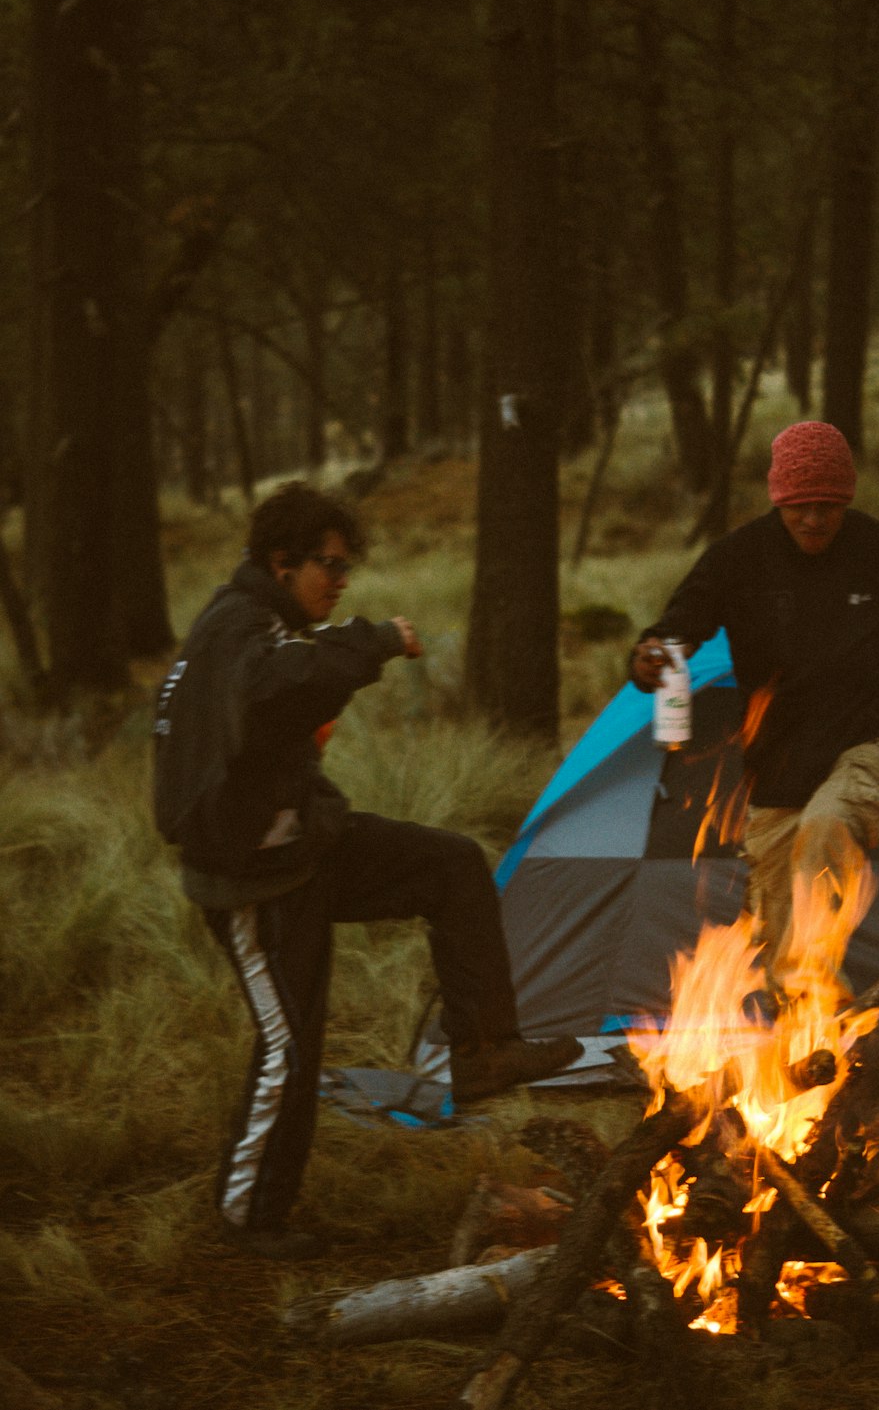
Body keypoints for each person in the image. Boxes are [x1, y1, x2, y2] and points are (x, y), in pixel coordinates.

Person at [153, 481, 581, 1261]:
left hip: (304, 848)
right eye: (330, 565)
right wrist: (375, 638)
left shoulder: (265, 625)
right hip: (250, 879)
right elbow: (282, 681)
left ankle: (483, 1048)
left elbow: (280, 706)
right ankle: (247, 1220)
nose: (341, 579)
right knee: (289, 1045)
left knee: (450, 864)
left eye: (347, 566)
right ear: (281, 562)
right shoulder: (237, 630)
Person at [630, 420, 879, 998]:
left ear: (846, 501)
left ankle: (820, 998)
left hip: (873, 735)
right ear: (779, 501)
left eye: (828, 506)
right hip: (780, 753)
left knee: (827, 827)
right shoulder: (736, 558)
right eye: (800, 507)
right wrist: (648, 657)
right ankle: (804, 1044)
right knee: (775, 900)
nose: (814, 519)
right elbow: (677, 629)